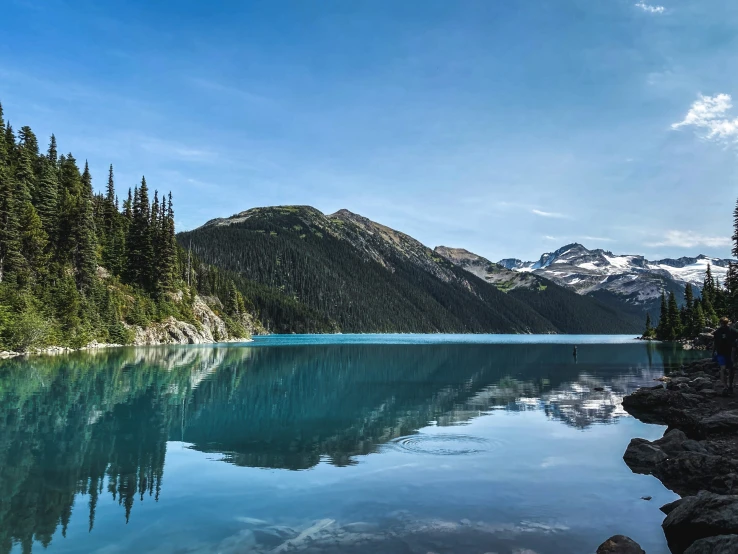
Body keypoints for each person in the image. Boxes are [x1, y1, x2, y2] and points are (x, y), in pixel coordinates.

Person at [712, 317, 738, 395]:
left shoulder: (733, 331)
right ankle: (725, 386)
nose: (723, 325)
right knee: (723, 369)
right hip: (721, 353)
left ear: (727, 323)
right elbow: (715, 343)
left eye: (725, 323)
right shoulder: (717, 332)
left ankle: (730, 385)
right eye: (722, 323)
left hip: (731, 353)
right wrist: (713, 352)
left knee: (731, 370)